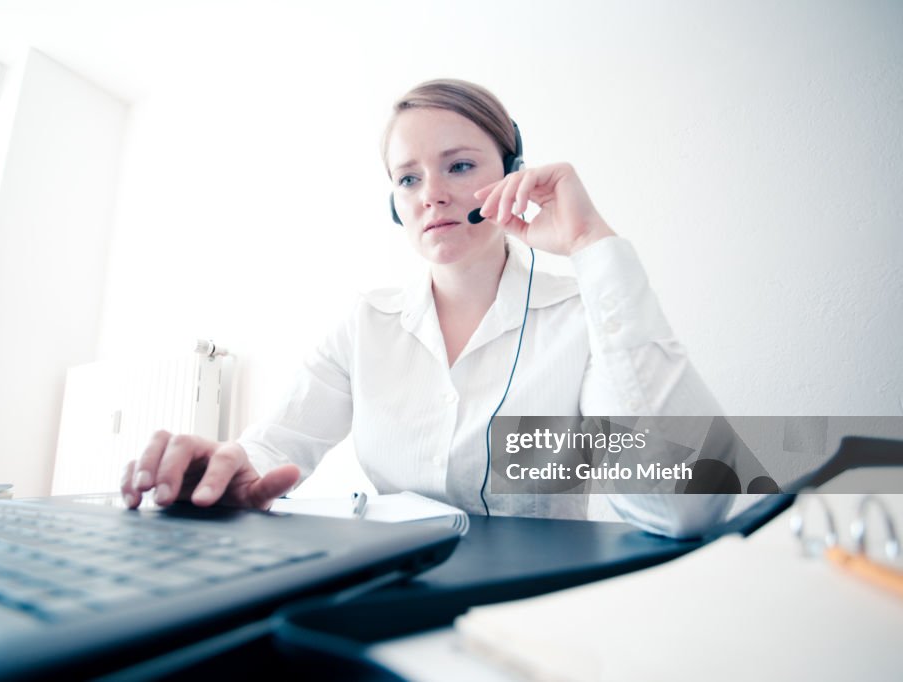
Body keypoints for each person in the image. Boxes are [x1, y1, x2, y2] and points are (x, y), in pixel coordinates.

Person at [120, 78, 730, 538]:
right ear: (394, 205)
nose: (432, 193)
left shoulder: (584, 312)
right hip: (394, 586)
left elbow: (686, 505)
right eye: (407, 179)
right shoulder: (365, 325)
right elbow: (275, 446)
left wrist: (590, 244)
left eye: (459, 166)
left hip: (535, 598)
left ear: (513, 174)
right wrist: (222, 473)